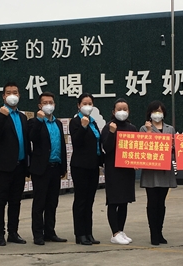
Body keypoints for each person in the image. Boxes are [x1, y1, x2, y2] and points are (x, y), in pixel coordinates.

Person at [0, 82, 30, 246]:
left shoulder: (23, 117)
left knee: (15, 201)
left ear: (19, 95)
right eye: (8, 92)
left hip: (20, 165)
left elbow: (26, 141)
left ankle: (13, 232)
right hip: (3, 167)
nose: (12, 95)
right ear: (3, 96)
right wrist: (2, 116)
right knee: (0, 201)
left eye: (15, 92)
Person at [28, 91, 68, 245]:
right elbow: (32, 138)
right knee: (40, 203)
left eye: (51, 102)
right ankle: (38, 234)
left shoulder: (58, 123)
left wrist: (63, 167)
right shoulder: (34, 122)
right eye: (45, 103)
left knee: (52, 202)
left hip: (55, 167)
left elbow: (61, 145)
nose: (48, 105)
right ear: (40, 106)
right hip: (41, 168)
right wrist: (39, 120)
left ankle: (50, 232)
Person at [100, 98, 137, 245]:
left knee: (124, 202)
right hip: (113, 170)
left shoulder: (132, 128)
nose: (122, 112)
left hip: (127, 171)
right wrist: (111, 133)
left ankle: (121, 231)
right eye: (119, 109)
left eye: (125, 109)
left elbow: (136, 149)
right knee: (113, 201)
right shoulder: (108, 127)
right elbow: (106, 148)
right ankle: (114, 233)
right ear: (113, 111)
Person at [140, 100, 176, 245]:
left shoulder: (170, 129)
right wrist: (149, 132)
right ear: (150, 113)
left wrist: (172, 148)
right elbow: (143, 148)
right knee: (152, 203)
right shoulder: (144, 128)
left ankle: (160, 232)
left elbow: (175, 149)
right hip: (151, 172)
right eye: (154, 111)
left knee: (161, 203)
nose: (157, 114)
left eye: (160, 111)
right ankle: (153, 233)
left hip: (165, 171)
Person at [69, 93, 104, 246]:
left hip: (93, 166)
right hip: (80, 166)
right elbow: (76, 142)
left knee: (90, 201)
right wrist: (83, 127)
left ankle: (88, 232)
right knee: (81, 200)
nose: (87, 106)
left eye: (90, 103)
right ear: (79, 105)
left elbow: (97, 144)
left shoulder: (93, 122)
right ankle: (80, 234)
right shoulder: (75, 122)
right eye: (84, 103)